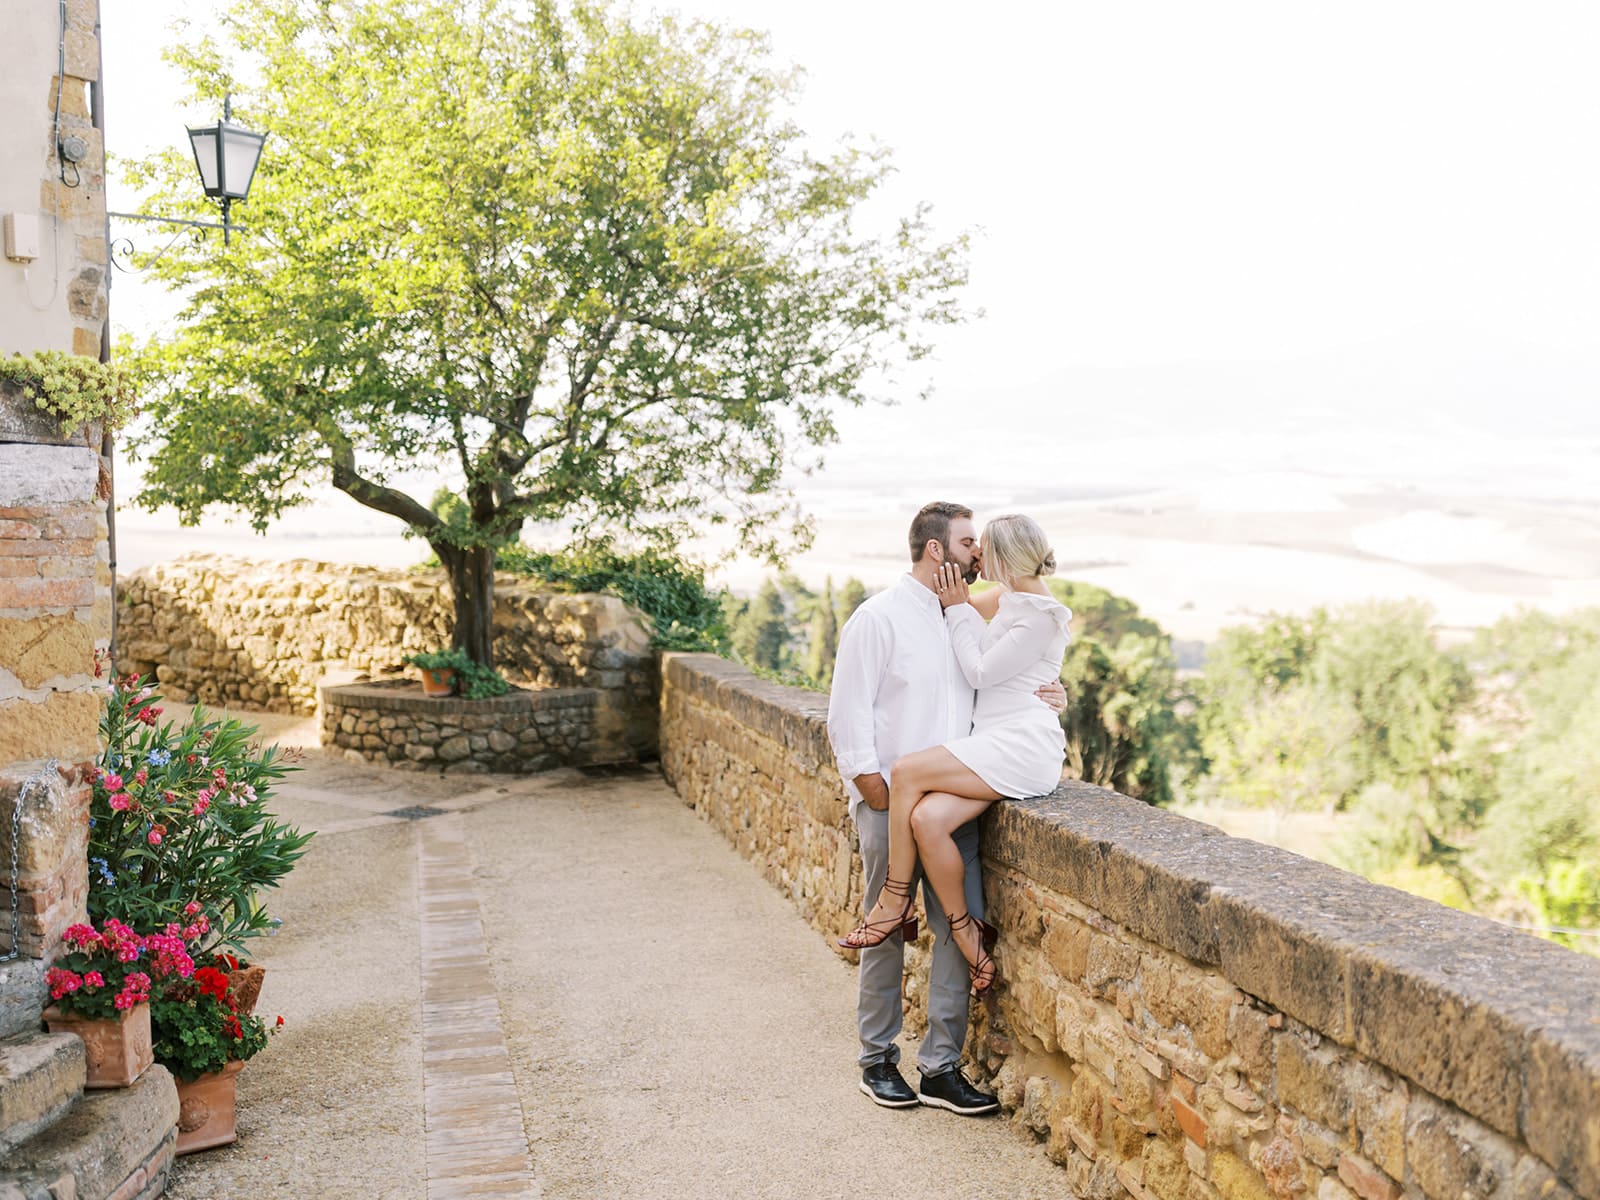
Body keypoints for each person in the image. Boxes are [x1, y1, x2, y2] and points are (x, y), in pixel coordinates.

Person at [827, 503, 1065, 1115]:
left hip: (955, 799)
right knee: (889, 926)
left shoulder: (971, 610)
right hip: (888, 802)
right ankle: (877, 1058)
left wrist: (1056, 691)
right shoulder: (878, 618)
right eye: (968, 543)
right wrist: (872, 789)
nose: (978, 555)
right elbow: (846, 712)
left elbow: (1025, 649)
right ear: (939, 552)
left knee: (964, 922)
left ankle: (940, 1067)